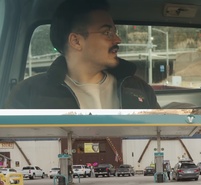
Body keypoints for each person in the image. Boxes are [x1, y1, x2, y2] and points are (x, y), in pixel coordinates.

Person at [4, 0, 160, 109]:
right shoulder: (29, 94)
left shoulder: (138, 88)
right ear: (76, 41)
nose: (117, 39)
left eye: (115, 31)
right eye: (107, 32)